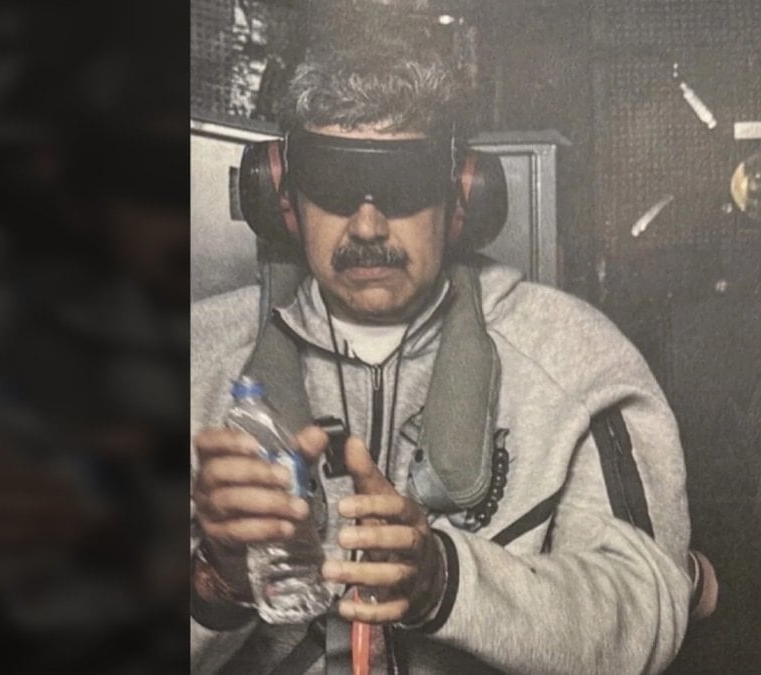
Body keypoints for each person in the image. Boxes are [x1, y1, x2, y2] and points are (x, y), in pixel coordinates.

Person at [190, 14, 700, 675]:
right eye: (335, 186)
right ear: (283, 196)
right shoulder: (198, 359)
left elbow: (647, 609)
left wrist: (447, 583)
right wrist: (218, 583)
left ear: (462, 198)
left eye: (402, 187)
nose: (367, 226)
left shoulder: (578, 359)